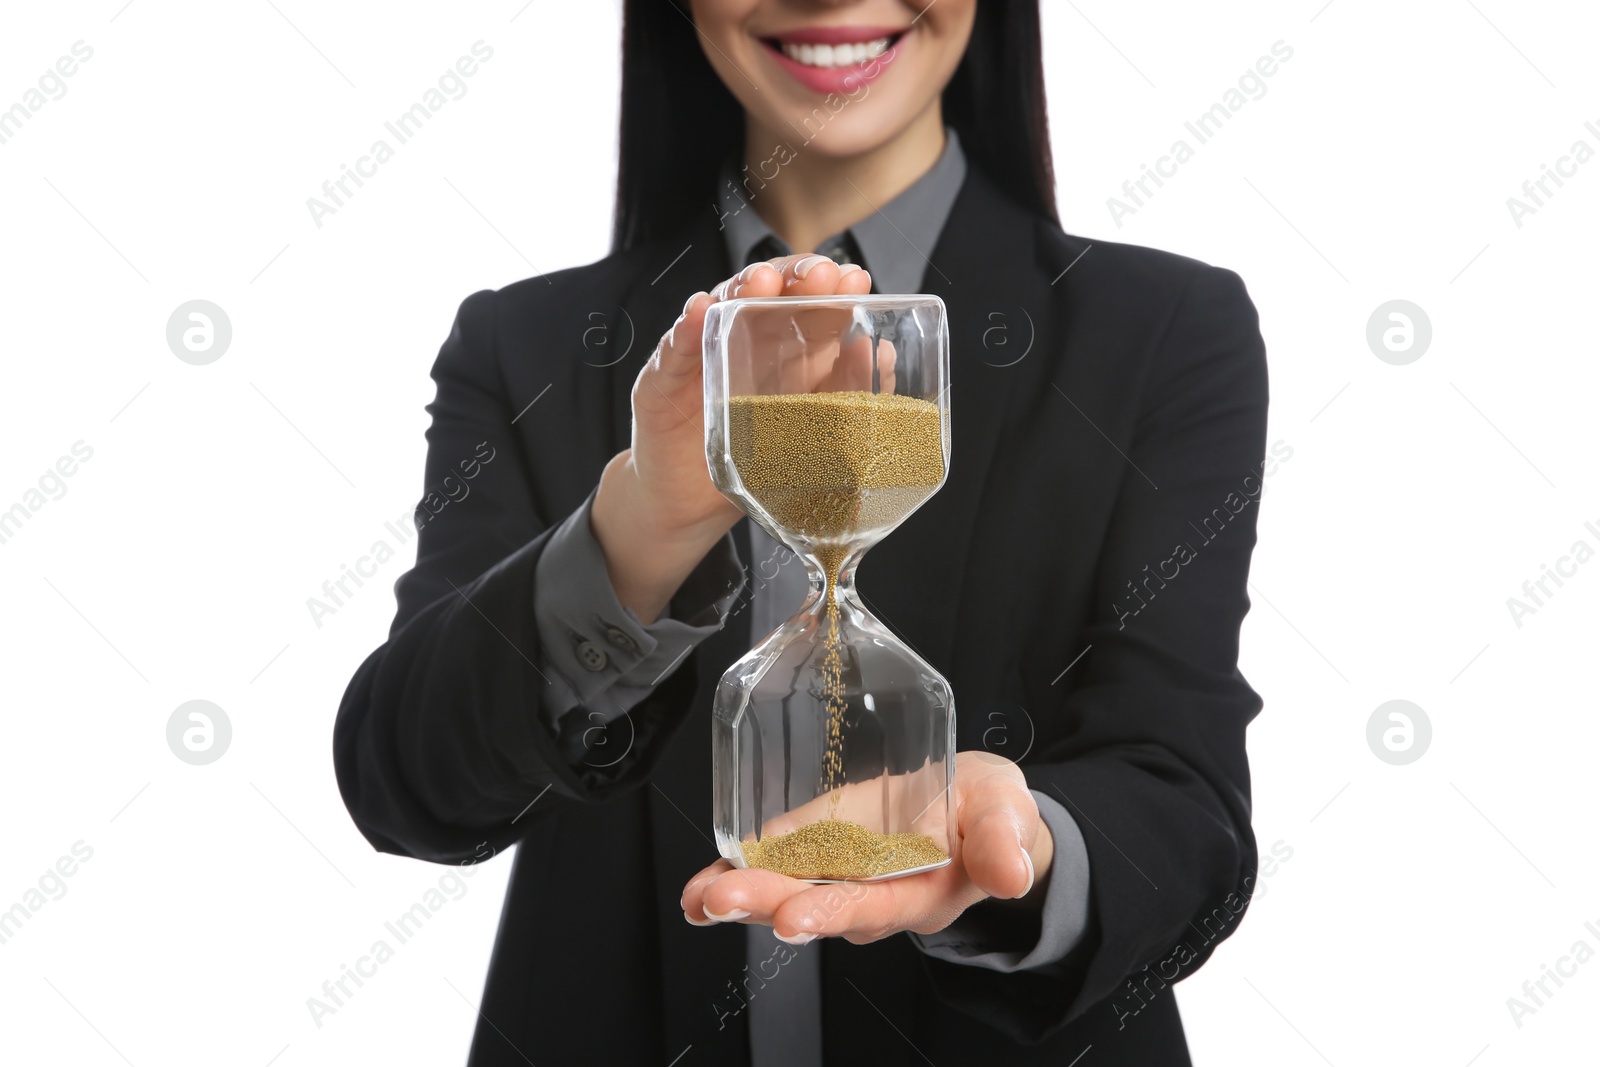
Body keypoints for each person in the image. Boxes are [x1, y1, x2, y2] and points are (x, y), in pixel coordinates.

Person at [332, 1, 1269, 1063]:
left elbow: (1184, 799)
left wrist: (1027, 852)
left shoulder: (1159, 329)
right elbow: (407, 779)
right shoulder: (525, 342)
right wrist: (644, 518)